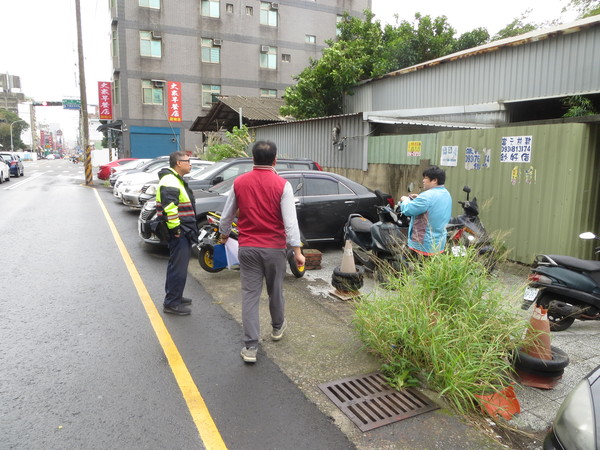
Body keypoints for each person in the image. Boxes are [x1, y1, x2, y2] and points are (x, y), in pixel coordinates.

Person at [219, 141, 305, 363]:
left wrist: (224, 235)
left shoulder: (239, 182)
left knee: (249, 295)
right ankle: (277, 328)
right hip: (274, 249)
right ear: (275, 160)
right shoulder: (282, 185)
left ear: (252, 159)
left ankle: (250, 348)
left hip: (247, 248)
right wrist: (297, 251)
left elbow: (226, 215)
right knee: (275, 290)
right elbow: (290, 223)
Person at [156, 151, 199, 315]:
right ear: (178, 163)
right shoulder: (170, 180)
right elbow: (170, 208)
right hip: (179, 231)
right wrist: (176, 230)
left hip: (183, 230)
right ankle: (172, 303)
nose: (190, 164)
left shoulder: (175, 179)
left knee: (178, 266)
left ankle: (176, 296)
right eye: (188, 161)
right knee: (178, 267)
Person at [399, 166, 452, 258]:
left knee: (412, 268)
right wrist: (419, 198)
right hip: (439, 243)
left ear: (434, 180)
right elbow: (432, 205)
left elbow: (408, 210)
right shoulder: (446, 193)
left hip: (423, 244)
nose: (423, 180)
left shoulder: (427, 196)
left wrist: (405, 200)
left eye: (426, 178)